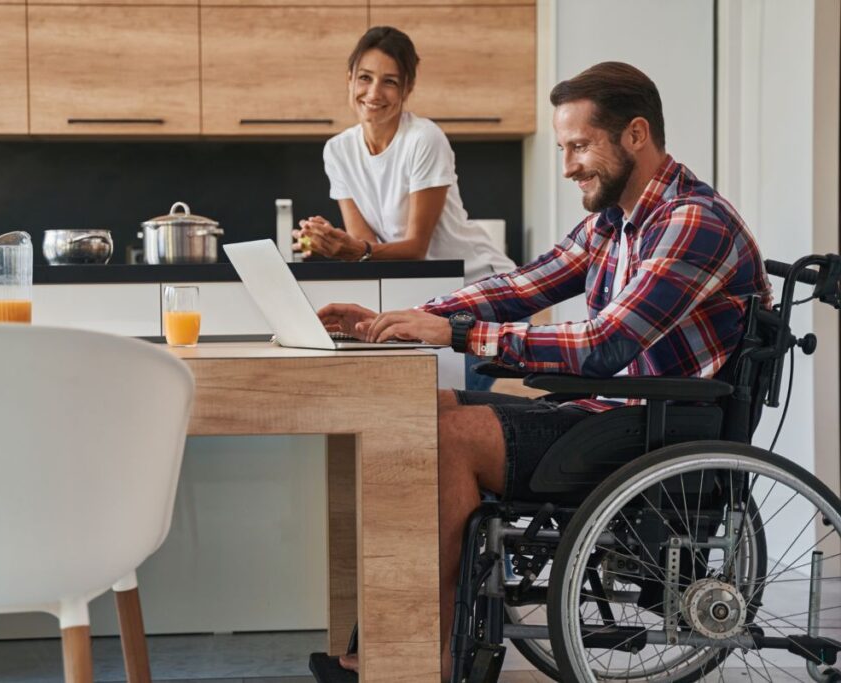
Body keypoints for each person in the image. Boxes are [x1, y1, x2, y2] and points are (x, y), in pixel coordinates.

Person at [317, 61, 771, 681]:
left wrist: (455, 332)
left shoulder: (691, 221)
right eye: (564, 147)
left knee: (451, 438)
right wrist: (400, 317)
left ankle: (431, 652)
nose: (567, 166)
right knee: (427, 410)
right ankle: (399, 630)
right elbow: (523, 285)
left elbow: (605, 345)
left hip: (661, 429)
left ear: (635, 135)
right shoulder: (615, 223)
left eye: (580, 146)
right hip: (618, 412)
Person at [292, 25, 517, 391]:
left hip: (477, 290)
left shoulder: (423, 140)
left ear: (407, 89)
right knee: (427, 408)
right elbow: (367, 248)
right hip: (427, 297)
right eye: (364, 77)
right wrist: (331, 242)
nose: (374, 93)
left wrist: (354, 249)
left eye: (390, 82)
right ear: (349, 79)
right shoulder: (338, 151)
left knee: (449, 408)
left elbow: (415, 248)